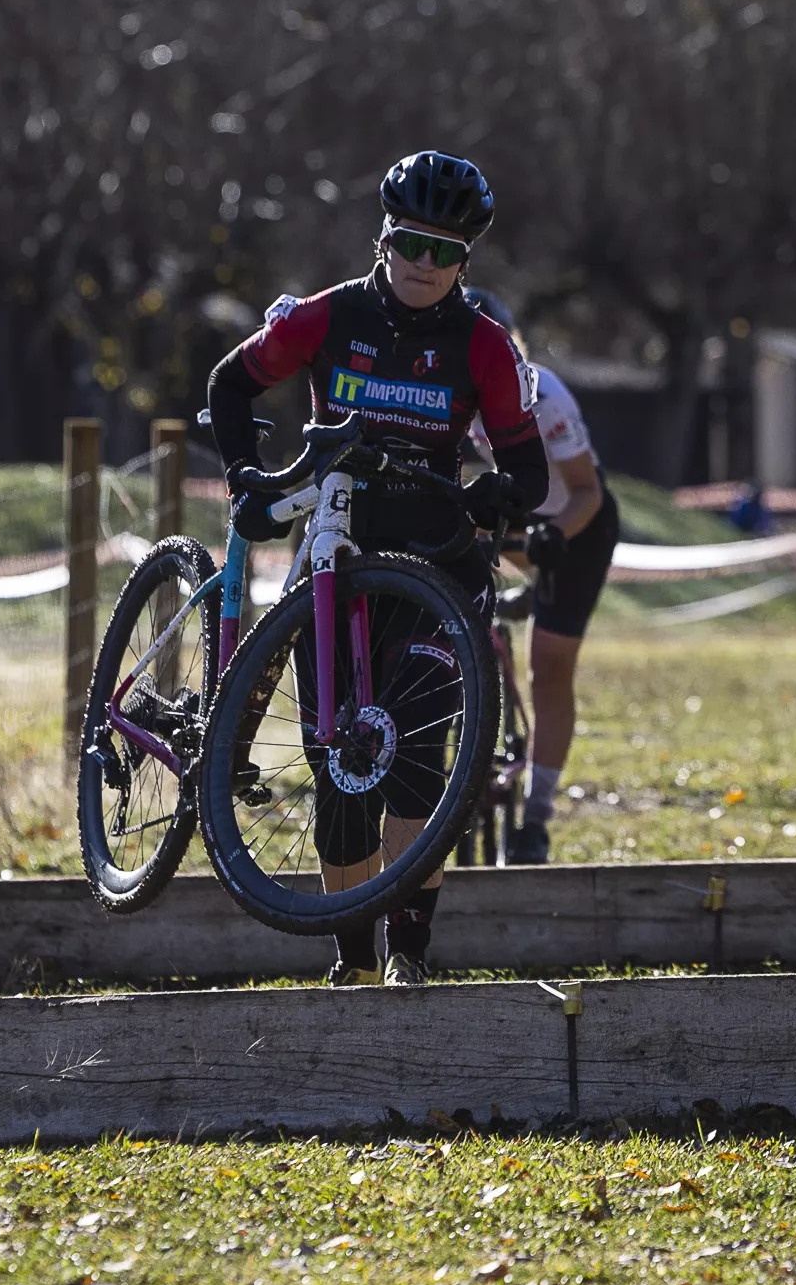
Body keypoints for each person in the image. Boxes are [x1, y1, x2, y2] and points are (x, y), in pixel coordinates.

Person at [205, 151, 548, 984]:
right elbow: (229, 384)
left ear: (467, 258)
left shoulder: (484, 346)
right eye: (409, 244)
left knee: (417, 767)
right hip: (336, 561)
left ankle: (411, 955)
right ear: (382, 240)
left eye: (445, 251)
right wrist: (246, 474)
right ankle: (351, 957)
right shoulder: (330, 317)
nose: (424, 266)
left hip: (435, 572)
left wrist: (486, 498)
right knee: (340, 772)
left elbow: (528, 473)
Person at [466, 290, 621, 867]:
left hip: (576, 520)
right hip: (511, 509)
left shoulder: (546, 396)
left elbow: (587, 491)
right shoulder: (448, 390)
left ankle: (536, 817)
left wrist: (550, 541)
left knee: (549, 668)